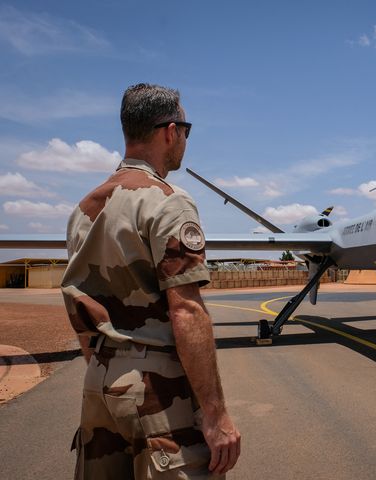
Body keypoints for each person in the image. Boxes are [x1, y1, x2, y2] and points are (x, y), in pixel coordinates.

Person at [61, 83, 241, 479]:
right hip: (157, 390)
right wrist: (215, 415)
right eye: (186, 130)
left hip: (99, 382)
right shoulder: (168, 201)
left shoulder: (84, 209)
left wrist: (103, 366)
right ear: (170, 131)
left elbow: (77, 302)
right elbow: (188, 309)